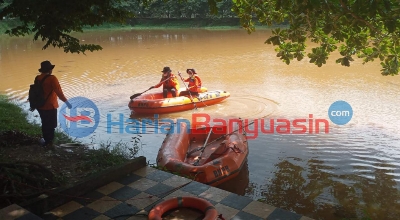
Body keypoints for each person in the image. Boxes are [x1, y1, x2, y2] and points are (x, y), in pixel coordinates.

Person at [34, 60, 72, 150]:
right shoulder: (52, 78)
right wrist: (67, 103)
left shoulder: (37, 78)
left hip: (40, 105)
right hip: (50, 106)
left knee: (45, 123)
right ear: (50, 69)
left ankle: (46, 141)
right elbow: (59, 93)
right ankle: (49, 143)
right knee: (51, 125)